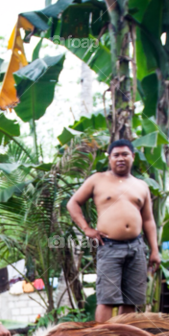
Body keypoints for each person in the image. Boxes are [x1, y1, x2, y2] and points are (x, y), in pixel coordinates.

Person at [66, 138, 161, 322]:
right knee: (107, 299)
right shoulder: (97, 179)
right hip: (109, 246)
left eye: (125, 154)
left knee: (131, 301)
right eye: (116, 155)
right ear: (109, 158)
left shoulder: (141, 186)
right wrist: (86, 228)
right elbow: (73, 203)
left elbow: (149, 220)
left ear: (132, 157)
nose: (120, 158)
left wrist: (154, 250)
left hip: (136, 247)